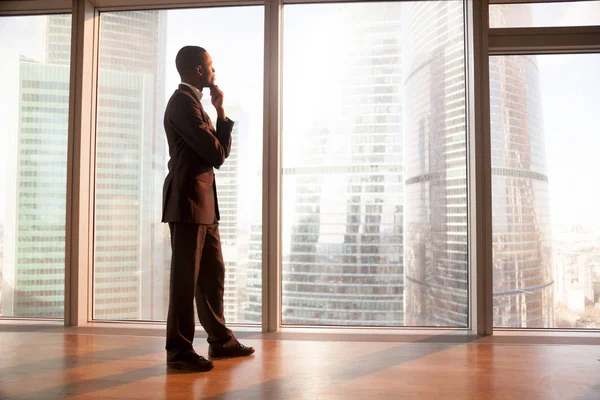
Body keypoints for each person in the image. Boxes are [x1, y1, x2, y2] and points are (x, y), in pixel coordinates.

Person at [162, 45, 255, 372]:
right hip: (188, 203)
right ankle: (179, 351)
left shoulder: (195, 104)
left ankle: (220, 340)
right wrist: (216, 123)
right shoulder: (183, 104)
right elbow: (216, 155)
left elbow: (219, 153)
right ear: (198, 70)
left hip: (203, 205)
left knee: (213, 273)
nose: (214, 71)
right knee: (185, 281)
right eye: (211, 66)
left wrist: (220, 111)